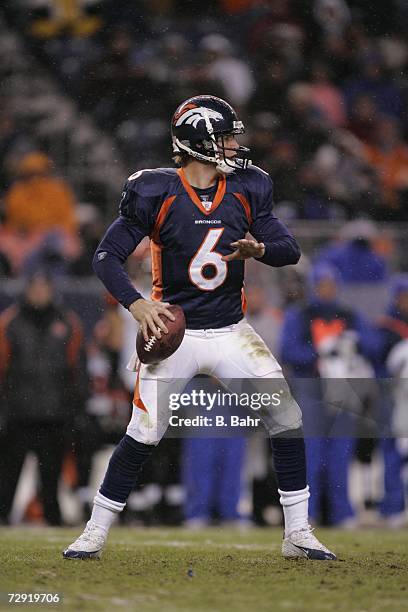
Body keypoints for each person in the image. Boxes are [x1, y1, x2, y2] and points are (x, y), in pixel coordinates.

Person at [63, 95, 336, 560]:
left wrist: (260, 250)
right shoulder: (156, 191)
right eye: (226, 137)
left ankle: (297, 534)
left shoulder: (249, 187)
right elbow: (105, 256)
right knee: (143, 431)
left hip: (231, 330)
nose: (234, 145)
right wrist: (136, 304)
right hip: (177, 333)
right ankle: (95, 531)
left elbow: (287, 248)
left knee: (287, 419)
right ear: (199, 142)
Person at [0, 270, 87, 525]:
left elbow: (78, 369)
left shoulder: (68, 321)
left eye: (43, 287)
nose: (39, 293)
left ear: (51, 290)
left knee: (51, 477)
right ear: (27, 290)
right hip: (17, 413)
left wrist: (76, 408)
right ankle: (3, 517)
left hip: (54, 413)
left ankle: (53, 520)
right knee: (7, 476)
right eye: (35, 288)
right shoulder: (10, 322)